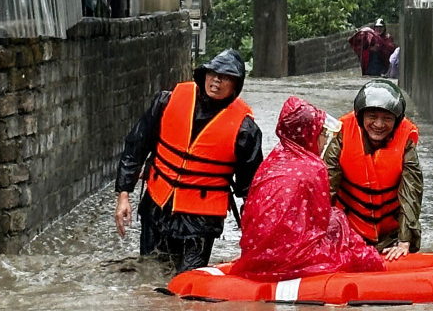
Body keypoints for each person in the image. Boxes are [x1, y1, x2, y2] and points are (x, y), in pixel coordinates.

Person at [114, 49, 263, 273]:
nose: (217, 80)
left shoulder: (246, 130)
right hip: (158, 207)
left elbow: (250, 187)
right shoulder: (167, 101)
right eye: (213, 73)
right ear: (203, 74)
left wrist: (255, 227)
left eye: (226, 77)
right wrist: (123, 194)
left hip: (201, 221)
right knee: (151, 274)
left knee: (187, 285)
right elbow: (136, 146)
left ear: (236, 85)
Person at [231, 97, 386, 280]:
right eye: (322, 134)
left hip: (256, 256)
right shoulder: (314, 167)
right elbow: (321, 222)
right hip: (292, 259)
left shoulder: (272, 161)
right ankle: (376, 263)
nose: (323, 141)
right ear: (308, 134)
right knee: (337, 221)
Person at [324, 79, 422, 261]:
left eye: (387, 118)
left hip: (390, 236)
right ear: (361, 117)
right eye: (372, 117)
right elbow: (326, 187)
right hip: (349, 231)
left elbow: (411, 192)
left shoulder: (405, 141)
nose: (379, 124)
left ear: (397, 120)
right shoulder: (342, 135)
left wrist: (404, 240)